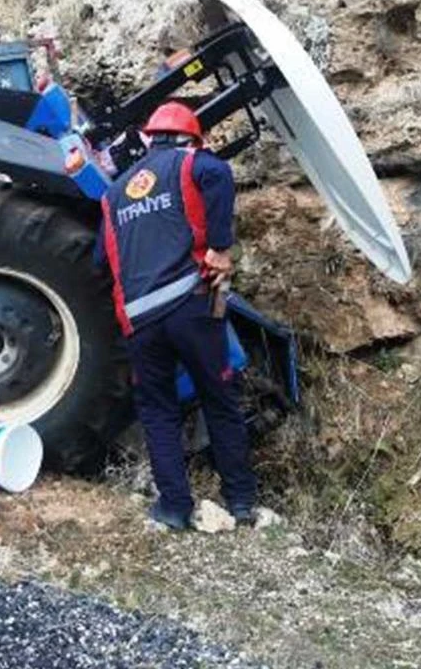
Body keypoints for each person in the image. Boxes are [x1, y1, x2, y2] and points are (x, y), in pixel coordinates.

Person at [97, 102, 257, 530]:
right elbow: (219, 174)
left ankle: (174, 508)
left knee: (157, 410)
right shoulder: (193, 163)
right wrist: (221, 247)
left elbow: (101, 260)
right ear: (191, 138)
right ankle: (240, 501)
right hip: (191, 304)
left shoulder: (113, 195)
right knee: (219, 399)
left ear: (149, 138)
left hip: (139, 321)